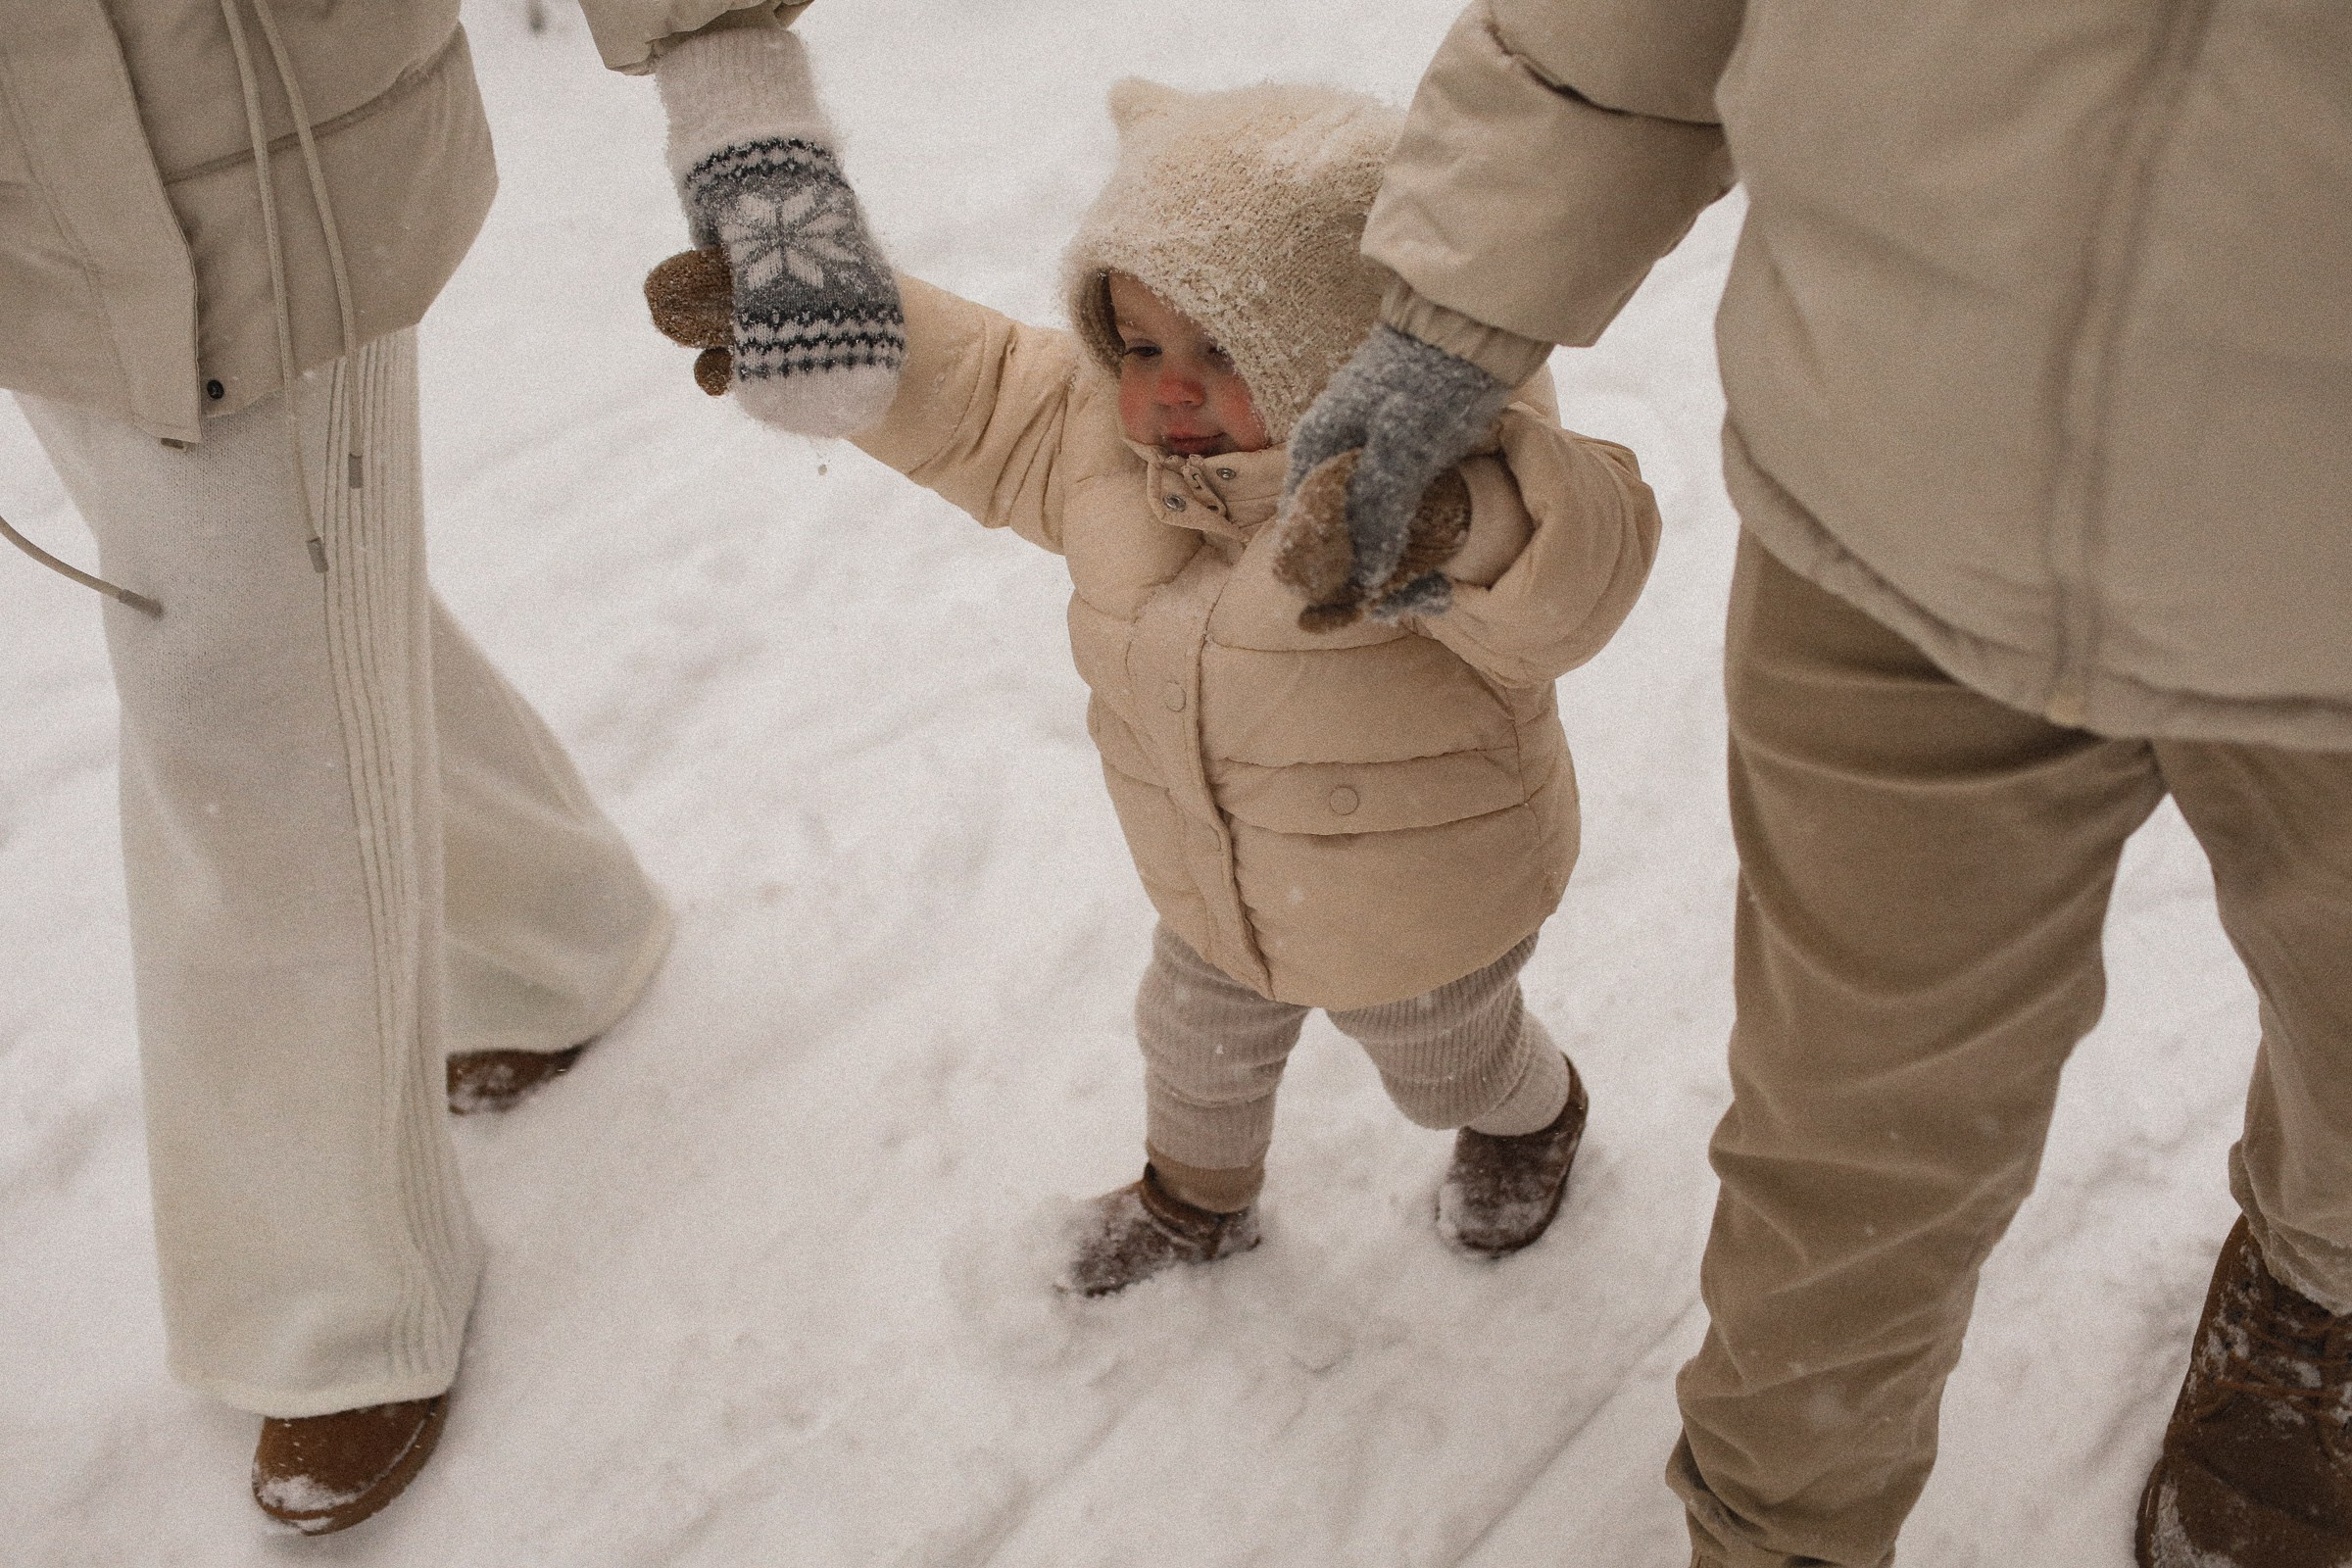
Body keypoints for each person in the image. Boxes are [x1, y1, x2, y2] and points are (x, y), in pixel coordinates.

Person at [1283, 3, 2352, 1565]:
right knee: (1852, 1132)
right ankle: (1780, 1534)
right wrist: (1454, 305)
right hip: (1893, 510)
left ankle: (2322, 1288)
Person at [0, 0, 896, 1537]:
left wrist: (730, 84)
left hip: (242, 150)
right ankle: (553, 933)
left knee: (239, 699)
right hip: (34, 199)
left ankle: (335, 1301)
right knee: (284, 618)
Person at [647, 75, 1661, 1295]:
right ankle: (1195, 1203)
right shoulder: (1107, 449)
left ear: (1342, 343)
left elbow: (1580, 565)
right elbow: (978, 401)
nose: (1166, 389)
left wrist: (1448, 526)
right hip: (1217, 874)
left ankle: (1529, 1116)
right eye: (1136, 344)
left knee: (1447, 1066)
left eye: (1223, 347)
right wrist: (835, 319)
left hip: (1422, 905)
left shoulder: (1442, 471)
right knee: (1191, 1046)